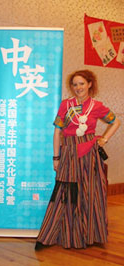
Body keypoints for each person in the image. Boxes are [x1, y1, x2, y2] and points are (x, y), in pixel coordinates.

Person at [35, 69, 120, 250]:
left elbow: (116, 122)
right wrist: (56, 157)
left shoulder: (96, 106)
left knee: (91, 193)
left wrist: (103, 139)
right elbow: (57, 131)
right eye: (75, 84)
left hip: (89, 153)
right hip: (69, 153)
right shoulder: (66, 105)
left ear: (89, 84)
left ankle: (91, 234)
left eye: (82, 83)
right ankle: (56, 234)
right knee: (65, 192)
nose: (78, 87)